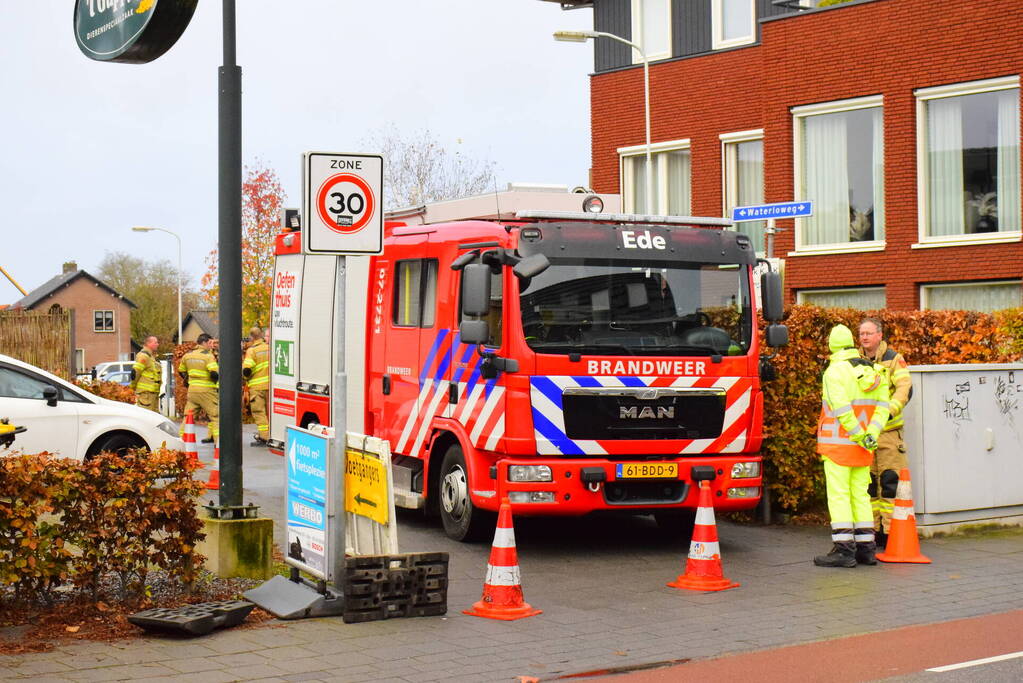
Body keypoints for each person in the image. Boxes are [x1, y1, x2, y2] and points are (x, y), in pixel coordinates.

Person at [815, 324, 890, 568]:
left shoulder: (834, 372)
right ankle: (866, 550)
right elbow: (882, 409)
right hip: (863, 448)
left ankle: (844, 551)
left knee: (839, 497)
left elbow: (842, 411)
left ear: (831, 346)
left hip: (838, 447)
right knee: (861, 496)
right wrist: (870, 435)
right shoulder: (876, 371)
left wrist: (858, 435)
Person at [859, 317, 912, 549]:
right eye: (861, 334)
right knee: (868, 486)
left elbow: (904, 388)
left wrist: (890, 410)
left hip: (889, 432)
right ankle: (871, 532)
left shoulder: (894, 360)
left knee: (890, 483)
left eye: (869, 333)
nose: (864, 338)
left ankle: (891, 532)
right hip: (864, 433)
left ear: (880, 335)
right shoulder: (855, 361)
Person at [178, 333, 219, 444]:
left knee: (188, 417)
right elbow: (214, 373)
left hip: (192, 391)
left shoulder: (188, 355)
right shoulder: (208, 356)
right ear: (204, 343)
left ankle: (181, 441)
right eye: (210, 343)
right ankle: (219, 443)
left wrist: (187, 380)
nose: (212, 345)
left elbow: (181, 370)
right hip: (207, 391)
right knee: (216, 417)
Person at [242, 326, 270, 446]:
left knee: (259, 412)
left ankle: (264, 437)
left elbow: (247, 370)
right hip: (270, 386)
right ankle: (271, 434)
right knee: (269, 412)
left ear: (252, 337)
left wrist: (244, 377)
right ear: (262, 335)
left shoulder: (252, 350)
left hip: (257, 388)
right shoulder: (270, 347)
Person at [130, 335, 162, 413]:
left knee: (154, 418)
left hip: (152, 394)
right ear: (149, 343)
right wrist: (132, 388)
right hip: (145, 395)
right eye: (156, 342)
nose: (158, 344)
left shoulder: (151, 357)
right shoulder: (143, 356)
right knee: (146, 417)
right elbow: (135, 374)